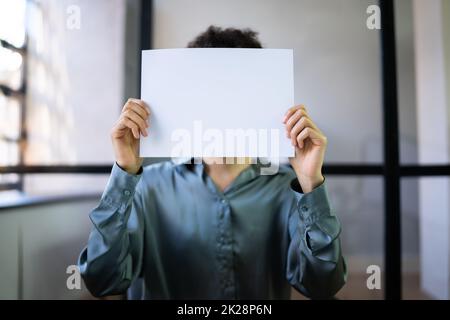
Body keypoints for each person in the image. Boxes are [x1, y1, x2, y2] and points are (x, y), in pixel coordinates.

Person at [78, 26, 346, 299]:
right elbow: (102, 280)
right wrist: (123, 172)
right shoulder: (146, 187)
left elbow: (322, 286)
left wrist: (311, 183)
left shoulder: (287, 190)